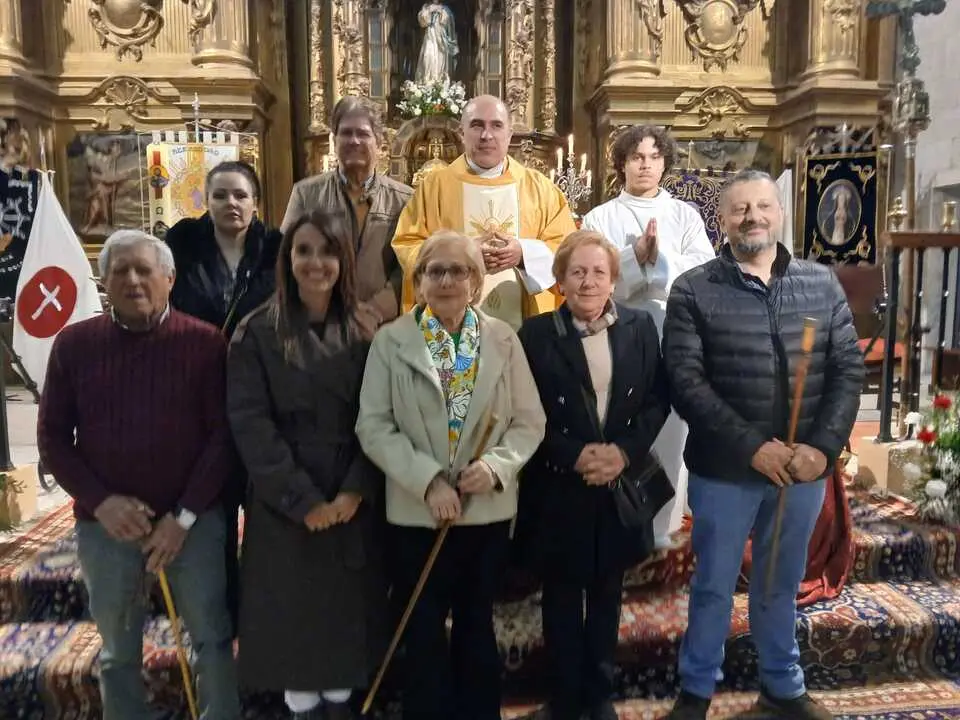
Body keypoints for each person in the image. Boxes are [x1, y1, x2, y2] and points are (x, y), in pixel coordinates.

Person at [662, 169, 864, 720]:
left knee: (781, 583)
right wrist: (753, 447)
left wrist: (822, 448)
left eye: (763, 206)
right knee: (713, 586)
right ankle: (696, 692)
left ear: (780, 213)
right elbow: (685, 381)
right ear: (722, 220)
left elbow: (848, 370)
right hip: (725, 470)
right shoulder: (694, 289)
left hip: (801, 470)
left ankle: (782, 686)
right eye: (740, 209)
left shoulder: (820, 283)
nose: (752, 217)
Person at [37, 230, 240, 720]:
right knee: (117, 651)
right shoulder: (74, 345)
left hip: (191, 524)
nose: (132, 280)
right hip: (107, 526)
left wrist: (183, 517)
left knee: (212, 640)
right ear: (104, 282)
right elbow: (53, 439)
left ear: (169, 279)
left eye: (144, 270)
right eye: (120, 271)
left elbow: (223, 439)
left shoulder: (205, 343)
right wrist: (101, 502)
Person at [356, 231, 546, 720]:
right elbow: (373, 426)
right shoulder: (390, 341)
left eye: (457, 270)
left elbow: (529, 421)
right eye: (434, 271)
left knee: (475, 625)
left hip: (484, 512)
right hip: (416, 514)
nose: (445, 280)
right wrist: (428, 481)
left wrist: (495, 467)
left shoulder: (504, 340)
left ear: (476, 282)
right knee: (422, 630)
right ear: (418, 281)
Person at [226, 211, 385, 720]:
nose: (316, 262)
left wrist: (354, 490)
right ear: (287, 259)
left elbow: (382, 415)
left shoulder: (367, 329)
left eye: (328, 251)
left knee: (343, 630)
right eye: (304, 251)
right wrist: (303, 501)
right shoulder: (256, 331)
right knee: (295, 630)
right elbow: (250, 423)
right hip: (286, 502)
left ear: (345, 260)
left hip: (350, 494)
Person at [516, 231, 670, 720]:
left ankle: (599, 697)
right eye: (577, 272)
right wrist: (574, 454)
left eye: (598, 272)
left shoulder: (640, 328)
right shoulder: (534, 335)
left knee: (607, 594)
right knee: (561, 597)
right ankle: (564, 698)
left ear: (614, 279)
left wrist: (622, 454)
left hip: (616, 482)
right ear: (559, 281)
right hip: (561, 482)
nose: (588, 282)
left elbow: (657, 400)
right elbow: (522, 410)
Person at [581, 125, 715, 548]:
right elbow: (588, 277)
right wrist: (633, 258)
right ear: (621, 163)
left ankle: (664, 524)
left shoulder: (684, 216)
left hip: (674, 332)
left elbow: (703, 275)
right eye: (636, 156)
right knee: (623, 423)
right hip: (617, 334)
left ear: (664, 163)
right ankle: (622, 514)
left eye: (654, 157)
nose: (645, 164)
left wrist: (657, 259)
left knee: (672, 426)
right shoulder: (600, 217)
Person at [165, 159, 281, 637]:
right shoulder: (182, 245)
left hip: (260, 392)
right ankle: (218, 613)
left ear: (256, 203)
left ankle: (262, 612)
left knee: (262, 508)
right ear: (206, 201)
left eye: (240, 195)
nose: (231, 203)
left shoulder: (274, 248)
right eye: (220, 195)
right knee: (213, 507)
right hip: (198, 391)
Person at [392, 94, 577, 330]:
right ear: (462, 133)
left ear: (509, 134)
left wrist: (524, 254)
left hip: (527, 329)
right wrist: (461, 254)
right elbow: (408, 245)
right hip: (450, 330)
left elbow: (568, 249)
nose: (486, 135)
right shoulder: (434, 187)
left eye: (496, 125)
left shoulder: (540, 189)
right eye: (477, 125)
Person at [281, 95, 412, 330]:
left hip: (383, 327)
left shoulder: (404, 199)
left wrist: (376, 310)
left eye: (363, 134)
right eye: (346, 133)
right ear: (334, 140)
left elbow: (411, 265)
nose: (354, 141)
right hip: (320, 323)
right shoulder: (306, 194)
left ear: (379, 142)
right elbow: (286, 256)